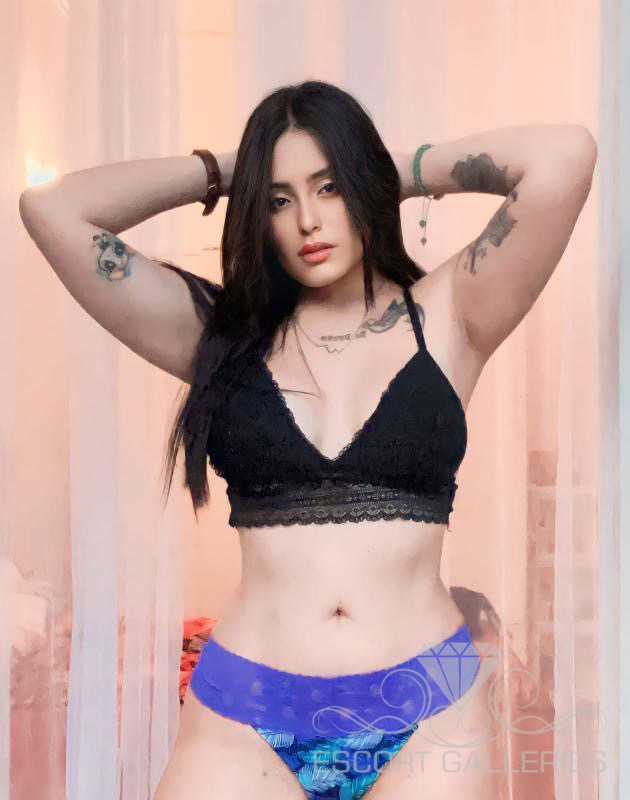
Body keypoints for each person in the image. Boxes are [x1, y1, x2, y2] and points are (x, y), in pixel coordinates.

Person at [19, 79, 596, 799]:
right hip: (246, 708)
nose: (308, 221)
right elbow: (51, 210)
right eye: (279, 200)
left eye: (329, 187)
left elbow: (565, 157)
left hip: (429, 702)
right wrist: (232, 170)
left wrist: (381, 169)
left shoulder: (452, 315)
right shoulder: (217, 335)